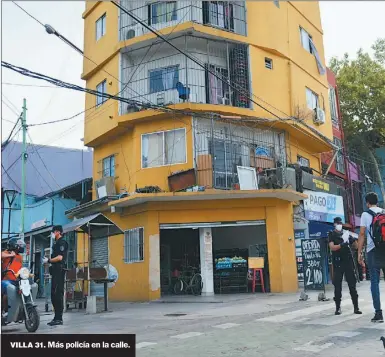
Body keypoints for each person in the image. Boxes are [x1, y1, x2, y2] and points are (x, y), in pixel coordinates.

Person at [358, 192, 385, 323]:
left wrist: (359, 253)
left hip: (373, 250)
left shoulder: (365, 214)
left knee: (374, 282)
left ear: (367, 202)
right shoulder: (384, 212)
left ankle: (378, 313)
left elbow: (362, 234)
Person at [328, 217, 361, 315]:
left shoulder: (346, 233)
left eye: (340, 223)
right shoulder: (332, 234)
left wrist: (352, 239)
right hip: (338, 263)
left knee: (352, 285)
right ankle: (338, 308)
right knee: (337, 286)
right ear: (334, 224)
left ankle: (356, 307)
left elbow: (355, 246)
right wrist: (342, 244)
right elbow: (332, 247)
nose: (339, 225)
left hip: (348, 262)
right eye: (337, 223)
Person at [43, 225, 68, 326]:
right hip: (55, 271)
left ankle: (59, 318)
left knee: (57, 294)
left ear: (57, 232)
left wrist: (48, 260)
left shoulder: (62, 243)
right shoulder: (56, 243)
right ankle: (56, 317)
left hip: (59, 271)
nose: (52, 234)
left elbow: (60, 257)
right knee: (54, 294)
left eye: (53, 232)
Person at [1, 238, 25, 317]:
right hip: (6, 280)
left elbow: (20, 268)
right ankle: (6, 310)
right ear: (14, 245)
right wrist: (11, 255)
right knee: (8, 289)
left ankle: (23, 308)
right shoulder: (6, 252)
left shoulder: (20, 257)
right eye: (19, 245)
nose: (21, 246)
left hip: (17, 279)